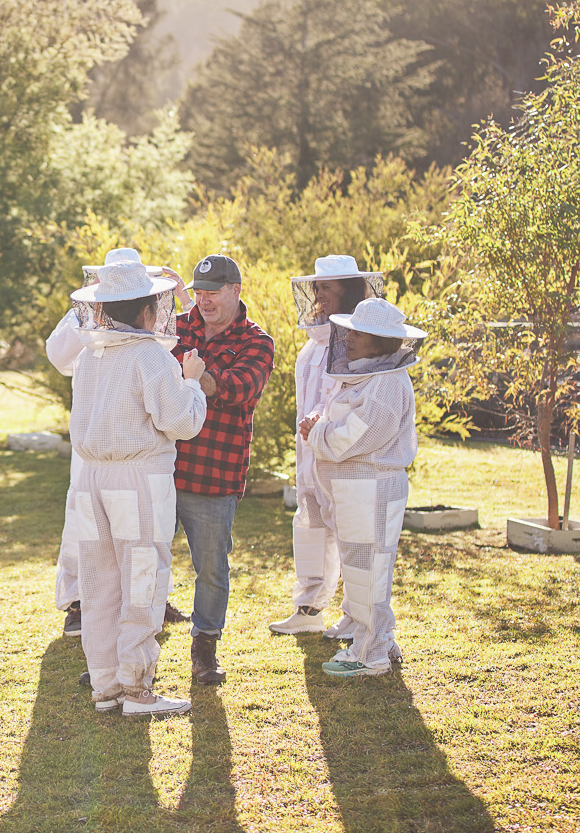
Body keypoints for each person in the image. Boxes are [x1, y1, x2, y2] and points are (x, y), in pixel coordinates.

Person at [64, 259, 207, 716]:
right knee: (142, 576)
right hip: (137, 477)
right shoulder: (149, 355)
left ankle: (105, 685)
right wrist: (193, 382)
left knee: (99, 581)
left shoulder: (90, 355)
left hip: (89, 481)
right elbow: (180, 421)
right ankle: (137, 688)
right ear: (147, 311)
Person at [44, 247, 182, 638]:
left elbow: (160, 347)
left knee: (140, 538)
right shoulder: (85, 322)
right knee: (88, 530)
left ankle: (147, 601)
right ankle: (77, 601)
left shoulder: (146, 333)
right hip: (96, 439)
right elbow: (59, 355)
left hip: (131, 433)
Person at [303, 297, 425, 677]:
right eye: (351, 330)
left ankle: (369, 654)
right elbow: (342, 417)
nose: (350, 338)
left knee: (370, 569)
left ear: (382, 342)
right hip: (356, 489)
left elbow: (356, 436)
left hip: (372, 488)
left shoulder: (388, 383)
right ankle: (375, 635)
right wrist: (320, 421)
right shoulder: (368, 374)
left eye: (360, 333)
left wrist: (317, 432)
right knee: (360, 566)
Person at [169, 254, 275, 684]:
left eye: (214, 292)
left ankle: (205, 646)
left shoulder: (257, 342)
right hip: (162, 467)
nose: (205, 301)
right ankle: (133, 643)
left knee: (212, 568)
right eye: (199, 293)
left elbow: (237, 390)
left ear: (236, 290)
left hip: (214, 476)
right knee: (143, 557)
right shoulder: (176, 326)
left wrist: (193, 376)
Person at [271, 256, 384, 637]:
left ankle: (360, 619)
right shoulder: (315, 343)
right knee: (310, 528)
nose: (319, 295)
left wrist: (322, 426)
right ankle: (309, 608)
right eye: (317, 287)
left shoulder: (359, 342)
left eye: (327, 289)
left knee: (354, 539)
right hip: (312, 454)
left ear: (348, 292)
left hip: (343, 455)